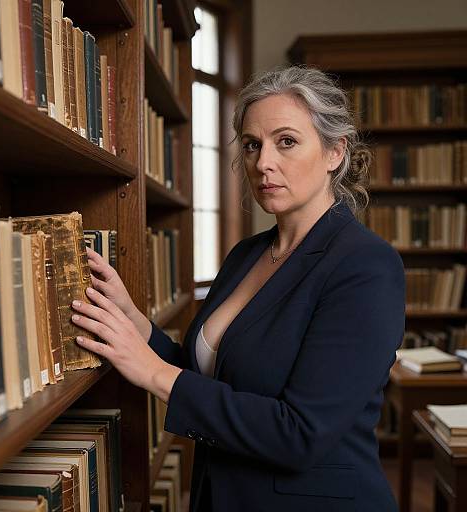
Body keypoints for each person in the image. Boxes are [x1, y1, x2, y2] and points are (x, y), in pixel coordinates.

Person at [71, 65, 405, 512]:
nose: (263, 162)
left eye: (286, 141)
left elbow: (300, 433)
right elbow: (210, 375)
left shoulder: (366, 266)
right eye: (252, 145)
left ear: (334, 152)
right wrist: (135, 324)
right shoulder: (247, 254)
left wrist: (152, 371)